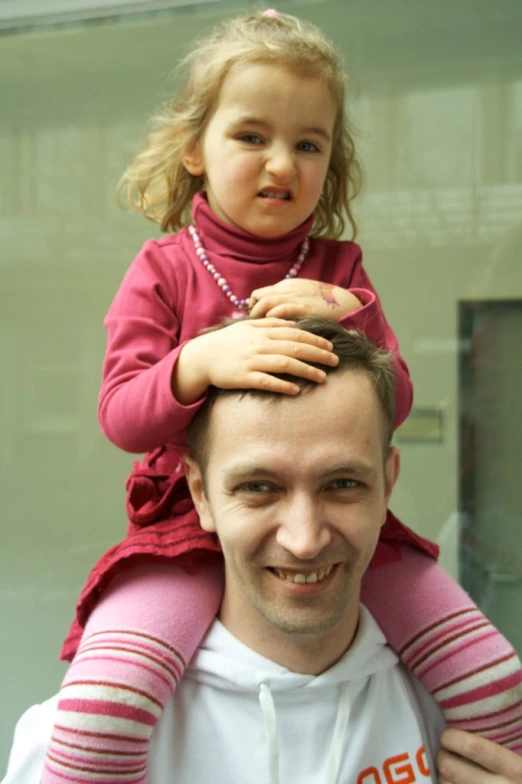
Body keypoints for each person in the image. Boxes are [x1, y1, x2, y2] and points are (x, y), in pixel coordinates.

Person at [39, 9, 521, 784]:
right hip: (181, 534)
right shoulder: (164, 267)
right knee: (100, 711)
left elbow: (393, 396)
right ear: (195, 147)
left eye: (309, 144)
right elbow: (121, 414)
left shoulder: (339, 264)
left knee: (496, 677)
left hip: (344, 525)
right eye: (252, 136)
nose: (282, 163)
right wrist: (199, 361)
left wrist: (348, 320)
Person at [3, 322, 522, 784]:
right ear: (201, 495)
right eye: (258, 487)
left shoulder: (466, 724)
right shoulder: (74, 748)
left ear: (388, 484)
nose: (304, 539)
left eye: (342, 483)